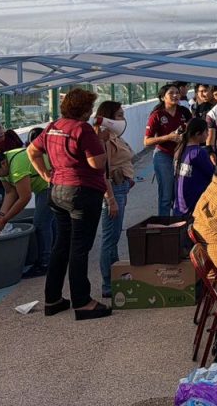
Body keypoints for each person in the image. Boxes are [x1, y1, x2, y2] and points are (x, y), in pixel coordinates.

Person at [27, 88, 110, 321]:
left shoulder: (54, 127)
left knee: (61, 245)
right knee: (79, 247)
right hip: (82, 192)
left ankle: (52, 299)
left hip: (57, 190)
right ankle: (82, 302)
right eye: (90, 108)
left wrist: (44, 173)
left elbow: (32, 150)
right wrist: (100, 141)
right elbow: (96, 163)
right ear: (83, 110)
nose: (92, 111)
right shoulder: (83, 129)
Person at [0, 127, 52, 278]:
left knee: (41, 223)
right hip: (43, 185)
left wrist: (6, 219)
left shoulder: (16, 167)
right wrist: (1, 214)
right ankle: (55, 257)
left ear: (2, 164)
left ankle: (45, 263)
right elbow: (10, 193)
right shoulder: (2, 168)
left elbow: (24, 197)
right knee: (49, 222)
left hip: (49, 184)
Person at [94, 102, 134, 299]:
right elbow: (101, 172)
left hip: (120, 187)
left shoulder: (113, 136)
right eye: (118, 115)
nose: (122, 118)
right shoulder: (103, 140)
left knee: (114, 236)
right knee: (110, 238)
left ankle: (115, 277)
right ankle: (109, 283)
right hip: (113, 190)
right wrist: (110, 199)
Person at [144, 84, 192, 217]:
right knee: (166, 195)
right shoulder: (157, 115)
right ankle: (164, 226)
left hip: (182, 154)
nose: (176, 95)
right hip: (163, 155)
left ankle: (178, 225)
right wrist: (168, 137)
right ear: (162, 97)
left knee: (180, 192)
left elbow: (192, 131)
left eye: (177, 92)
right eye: (171, 93)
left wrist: (185, 135)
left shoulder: (184, 112)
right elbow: (147, 141)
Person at [175, 118, 215, 216]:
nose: (208, 134)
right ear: (198, 134)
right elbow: (213, 175)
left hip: (180, 206)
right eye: (206, 131)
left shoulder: (179, 149)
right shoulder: (198, 152)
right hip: (194, 205)